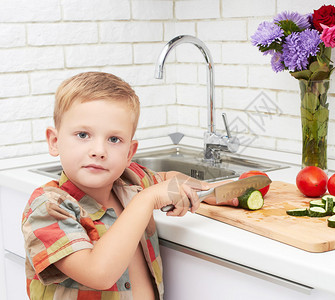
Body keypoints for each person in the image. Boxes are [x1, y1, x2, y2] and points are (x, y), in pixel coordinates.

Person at [21, 72, 237, 300]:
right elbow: (98, 273)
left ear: (129, 153)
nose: (99, 151)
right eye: (83, 134)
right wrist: (147, 199)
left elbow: (169, 179)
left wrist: (211, 192)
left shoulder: (130, 180)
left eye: (114, 139)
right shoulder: (47, 208)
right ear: (55, 142)